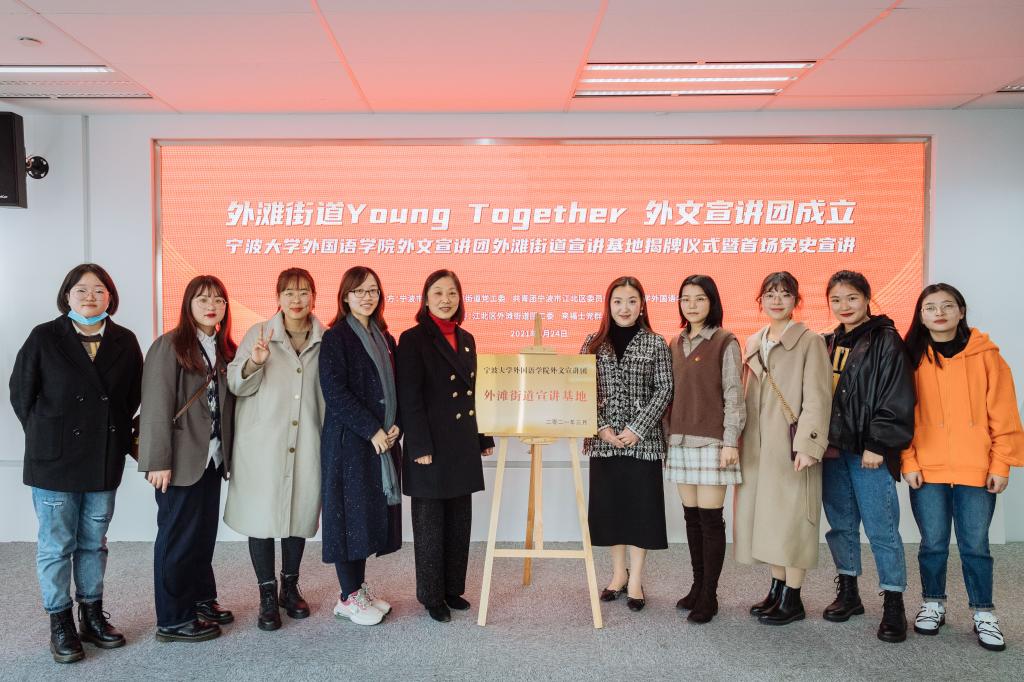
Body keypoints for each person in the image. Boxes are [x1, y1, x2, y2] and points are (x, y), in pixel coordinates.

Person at [9, 264, 143, 663]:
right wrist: (49, 432)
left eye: (99, 290)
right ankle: (60, 621)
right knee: (56, 545)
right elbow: (21, 393)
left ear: (110, 297)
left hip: (102, 457)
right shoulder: (44, 336)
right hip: (54, 460)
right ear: (67, 295)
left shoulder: (124, 340)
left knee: (93, 542)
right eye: (81, 290)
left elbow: (131, 397)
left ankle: (91, 614)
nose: (90, 297)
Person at [902, 283, 1024, 652]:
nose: (939, 313)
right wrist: (908, 460)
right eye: (930, 307)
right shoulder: (911, 358)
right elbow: (900, 416)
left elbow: (1004, 414)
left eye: (947, 306)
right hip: (928, 469)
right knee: (933, 544)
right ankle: (933, 603)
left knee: (975, 546)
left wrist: (1001, 464)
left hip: (977, 469)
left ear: (961, 311)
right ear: (921, 316)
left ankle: (983, 612)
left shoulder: (987, 356)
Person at [224, 268, 325, 631]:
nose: (297, 300)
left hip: (307, 441)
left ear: (314, 297)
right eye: (289, 293)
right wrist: (255, 361)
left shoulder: (326, 339)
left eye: (303, 292)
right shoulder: (259, 333)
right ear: (278, 297)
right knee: (262, 518)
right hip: (263, 445)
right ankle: (267, 593)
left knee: (299, 513)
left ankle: (289, 587)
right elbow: (236, 385)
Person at [138, 275, 236, 642]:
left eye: (218, 300)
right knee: (177, 538)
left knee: (202, 535)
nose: (212, 306)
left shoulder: (224, 348)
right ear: (188, 304)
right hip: (178, 460)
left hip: (211, 458)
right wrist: (156, 460)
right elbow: (155, 405)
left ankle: (200, 599)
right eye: (203, 299)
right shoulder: (169, 345)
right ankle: (173, 619)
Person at [821, 270, 916, 643]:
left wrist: (878, 444)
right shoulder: (829, 342)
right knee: (840, 526)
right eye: (836, 300)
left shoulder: (886, 340)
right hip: (834, 451)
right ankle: (849, 592)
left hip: (868, 452)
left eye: (852, 298)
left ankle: (893, 602)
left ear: (867, 299)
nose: (844, 306)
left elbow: (897, 395)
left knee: (882, 529)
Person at [734, 271, 831, 626]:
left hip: (792, 448)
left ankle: (794, 598)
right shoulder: (753, 341)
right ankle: (776, 590)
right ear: (760, 300)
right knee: (768, 520)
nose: (777, 300)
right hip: (757, 448)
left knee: (793, 521)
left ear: (796, 301)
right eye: (770, 294)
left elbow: (818, 398)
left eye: (785, 294)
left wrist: (808, 445)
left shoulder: (810, 341)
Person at [397, 269, 494, 623]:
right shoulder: (412, 339)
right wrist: (418, 445)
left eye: (452, 292)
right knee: (430, 526)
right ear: (425, 298)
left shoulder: (467, 339)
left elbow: (475, 394)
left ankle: (453, 589)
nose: (445, 299)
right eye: (438, 293)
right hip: (430, 446)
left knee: (459, 522)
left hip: (461, 444)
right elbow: (409, 398)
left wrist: (483, 437)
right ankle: (431, 596)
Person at [581, 276, 672, 613]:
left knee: (640, 512)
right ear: (609, 305)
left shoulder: (656, 343)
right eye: (618, 301)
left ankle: (636, 580)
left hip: (642, 444)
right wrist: (600, 426)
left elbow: (664, 389)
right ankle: (619, 575)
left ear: (642, 305)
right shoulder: (593, 343)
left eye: (632, 301)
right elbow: (581, 389)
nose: (624, 308)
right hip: (604, 443)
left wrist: (637, 428)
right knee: (612, 511)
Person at [319, 266, 402, 627]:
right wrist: (372, 430)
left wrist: (397, 425)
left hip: (380, 443)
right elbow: (335, 393)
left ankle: (358, 590)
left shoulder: (385, 337)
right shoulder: (336, 338)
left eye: (373, 291)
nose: (367, 297)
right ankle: (347, 597)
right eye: (359, 291)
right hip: (348, 444)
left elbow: (396, 387)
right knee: (346, 519)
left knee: (364, 520)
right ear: (345, 296)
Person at [664, 274, 744, 623]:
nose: (692, 305)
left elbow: (734, 395)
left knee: (711, 520)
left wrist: (730, 441)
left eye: (699, 298)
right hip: (680, 440)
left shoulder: (726, 341)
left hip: (713, 441)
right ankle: (697, 586)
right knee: (692, 518)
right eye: (686, 298)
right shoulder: (675, 342)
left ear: (712, 302)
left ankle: (710, 595)